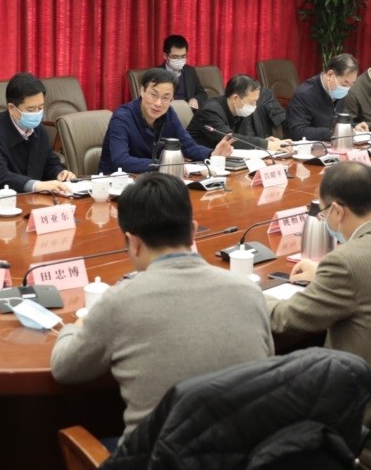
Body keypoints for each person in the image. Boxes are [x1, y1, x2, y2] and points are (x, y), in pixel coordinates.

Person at [50, 173, 273, 439]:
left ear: (133, 242)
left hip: (159, 462)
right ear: (193, 231)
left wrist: (76, 327)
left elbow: (64, 368)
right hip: (248, 458)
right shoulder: (249, 291)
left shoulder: (119, 302)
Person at [266, 162, 371, 453]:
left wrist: (251, 293)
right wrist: (323, 275)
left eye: (323, 213)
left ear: (337, 210)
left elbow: (286, 320)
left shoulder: (345, 261)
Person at [100, 69, 234, 174]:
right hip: (116, 185)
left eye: (165, 98)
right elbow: (121, 160)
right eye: (153, 95)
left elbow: (187, 146)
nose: (158, 103)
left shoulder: (168, 113)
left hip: (153, 181)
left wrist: (212, 154)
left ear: (172, 99)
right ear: (142, 91)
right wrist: (163, 166)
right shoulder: (122, 117)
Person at [0, 72, 76, 193]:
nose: (37, 114)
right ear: (12, 108)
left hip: (29, 199)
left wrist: (60, 173)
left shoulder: (39, 130)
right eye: (31, 109)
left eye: (40, 108)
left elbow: (50, 163)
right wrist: (36, 185)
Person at [189, 75, 287, 153]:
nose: (255, 106)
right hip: (198, 161)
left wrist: (266, 141)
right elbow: (229, 140)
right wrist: (267, 144)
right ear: (235, 98)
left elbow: (242, 138)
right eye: (252, 102)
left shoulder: (237, 110)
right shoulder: (210, 110)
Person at [284, 54, 360, 141]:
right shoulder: (304, 94)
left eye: (351, 84)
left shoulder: (339, 92)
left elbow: (339, 121)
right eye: (345, 83)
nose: (347, 88)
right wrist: (332, 133)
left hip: (332, 144)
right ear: (330, 75)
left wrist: (354, 126)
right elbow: (297, 132)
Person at [157, 34, 205, 109]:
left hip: (189, 111)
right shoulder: (156, 74)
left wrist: (195, 99)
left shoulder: (190, 71)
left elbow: (202, 93)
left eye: (183, 56)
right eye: (175, 57)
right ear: (165, 56)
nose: (179, 60)